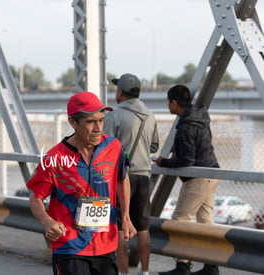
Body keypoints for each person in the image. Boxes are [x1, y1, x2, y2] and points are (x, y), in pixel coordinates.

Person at [26, 91, 137, 275]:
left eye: (101, 120)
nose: (98, 128)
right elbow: (35, 198)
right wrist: (46, 221)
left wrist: (125, 216)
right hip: (70, 245)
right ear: (73, 122)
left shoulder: (114, 147)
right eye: (90, 122)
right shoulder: (55, 158)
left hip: (106, 243)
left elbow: (122, 179)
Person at [153, 84, 220, 275]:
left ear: (174, 103)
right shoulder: (200, 117)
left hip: (198, 178)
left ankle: (182, 266)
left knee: (180, 220)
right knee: (206, 223)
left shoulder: (185, 128)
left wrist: (164, 162)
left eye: (168, 102)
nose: (168, 105)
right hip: (212, 173)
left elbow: (187, 160)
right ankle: (211, 266)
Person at [104, 73, 159, 275]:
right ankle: (145, 272)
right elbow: (154, 146)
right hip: (144, 176)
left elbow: (105, 146)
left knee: (121, 226)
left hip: (121, 177)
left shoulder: (114, 115)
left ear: (121, 92)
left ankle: (124, 272)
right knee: (143, 226)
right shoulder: (150, 116)